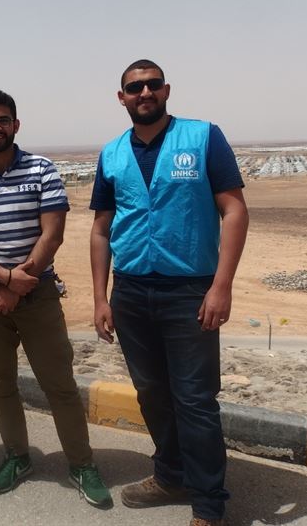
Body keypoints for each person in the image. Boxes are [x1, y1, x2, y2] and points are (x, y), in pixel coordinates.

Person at [90, 60, 249, 526]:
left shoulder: (202, 137)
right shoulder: (111, 153)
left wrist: (221, 286)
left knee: (195, 400)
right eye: (134, 87)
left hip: (190, 292)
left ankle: (208, 505)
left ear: (166, 90)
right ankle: (170, 475)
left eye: (153, 84)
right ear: (121, 97)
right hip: (131, 291)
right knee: (152, 395)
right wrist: (100, 297)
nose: (144, 92)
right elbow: (101, 229)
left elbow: (234, 211)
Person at [0, 89, 112, 508]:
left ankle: (82, 464)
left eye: (3, 120)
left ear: (16, 125)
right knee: (0, 385)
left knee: (60, 385)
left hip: (37, 293)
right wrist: (5, 279)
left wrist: (18, 285)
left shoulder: (42, 169)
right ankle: (17, 457)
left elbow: (52, 234)